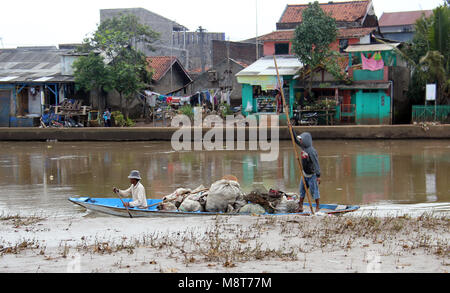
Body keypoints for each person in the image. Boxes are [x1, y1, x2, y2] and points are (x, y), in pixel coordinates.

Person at [292, 129, 321, 213]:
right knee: (302, 191)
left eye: (301, 139)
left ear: (306, 141)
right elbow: (295, 140)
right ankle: (300, 206)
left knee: (314, 192)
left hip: (312, 175)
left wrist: (318, 176)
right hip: (304, 174)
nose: (300, 141)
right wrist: (291, 129)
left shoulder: (311, 151)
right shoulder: (303, 147)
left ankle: (317, 207)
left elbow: (316, 164)